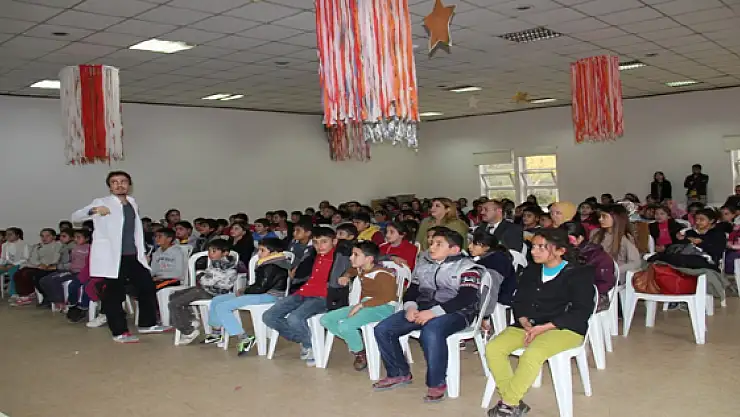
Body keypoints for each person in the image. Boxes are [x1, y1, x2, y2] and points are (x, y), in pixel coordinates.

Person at [484, 229, 595, 417]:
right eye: (533, 246)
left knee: (533, 354)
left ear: (560, 250)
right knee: (493, 348)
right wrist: (524, 321)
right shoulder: (531, 270)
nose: (534, 251)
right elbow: (519, 300)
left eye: (541, 247)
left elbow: (581, 311)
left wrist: (545, 327)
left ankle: (508, 403)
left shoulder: (578, 274)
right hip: (530, 325)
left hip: (564, 328)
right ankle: (513, 401)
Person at [372, 228, 485, 402]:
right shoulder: (424, 264)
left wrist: (433, 313)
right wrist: (410, 307)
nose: (431, 247)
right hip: (424, 308)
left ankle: (436, 383)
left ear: (454, 249)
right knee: (383, 329)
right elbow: (412, 290)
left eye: (439, 244)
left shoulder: (468, 268)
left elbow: (466, 298)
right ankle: (399, 373)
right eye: (432, 243)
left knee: (431, 331)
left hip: (458, 312)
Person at [70, 171, 169, 343]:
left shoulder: (132, 202)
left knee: (147, 287)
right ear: (110, 186)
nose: (119, 185)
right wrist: (94, 210)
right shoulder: (102, 202)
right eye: (114, 182)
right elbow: (75, 217)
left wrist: (142, 253)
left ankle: (147, 324)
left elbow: (135, 231)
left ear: (129, 185)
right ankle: (119, 331)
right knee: (114, 294)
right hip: (112, 257)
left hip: (133, 255)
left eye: (123, 181)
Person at [262, 227, 346, 366]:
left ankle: (309, 345)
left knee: (294, 318)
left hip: (323, 297)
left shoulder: (341, 256)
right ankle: (306, 340)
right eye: (316, 242)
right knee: (269, 316)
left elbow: (357, 264)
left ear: (334, 241)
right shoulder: (312, 255)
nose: (319, 246)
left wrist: (347, 275)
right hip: (302, 292)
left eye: (324, 242)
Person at [204, 237, 291, 356]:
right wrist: (245, 290)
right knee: (217, 300)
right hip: (261, 293)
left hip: (269, 296)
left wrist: (244, 291)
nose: (258, 253)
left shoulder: (272, 266)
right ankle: (216, 333)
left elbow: (261, 288)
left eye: (262, 250)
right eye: (259, 250)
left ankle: (244, 338)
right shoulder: (268, 263)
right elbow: (259, 286)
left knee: (222, 307)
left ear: (274, 253)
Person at [320, 241, 398, 371]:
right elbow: (352, 270)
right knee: (326, 319)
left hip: (383, 307)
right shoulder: (361, 268)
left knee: (346, 326)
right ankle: (359, 347)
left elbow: (387, 297)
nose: (351, 257)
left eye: (356, 255)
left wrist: (361, 305)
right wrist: (346, 276)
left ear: (369, 259)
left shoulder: (382, 274)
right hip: (365, 305)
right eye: (352, 254)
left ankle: (358, 352)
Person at [167, 239, 238, 344]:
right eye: (209, 251)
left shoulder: (223, 266)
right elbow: (208, 278)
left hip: (214, 293)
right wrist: (203, 276)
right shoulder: (218, 262)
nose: (210, 254)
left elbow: (207, 281)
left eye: (214, 251)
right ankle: (190, 320)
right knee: (174, 296)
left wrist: (200, 275)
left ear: (225, 253)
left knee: (174, 303)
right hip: (206, 289)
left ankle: (189, 331)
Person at [39, 229, 92, 320]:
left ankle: (68, 304)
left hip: (81, 273)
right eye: (75, 237)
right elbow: (70, 262)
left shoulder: (90, 248)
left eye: (78, 237)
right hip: (71, 271)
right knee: (45, 280)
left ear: (87, 238)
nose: (75, 239)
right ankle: (57, 301)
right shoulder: (74, 248)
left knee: (71, 284)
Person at [563, 222, 615, 311]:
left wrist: (584, 290)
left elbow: (605, 283)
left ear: (580, 238)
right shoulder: (561, 252)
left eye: (568, 239)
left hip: (594, 295)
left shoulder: (598, 256)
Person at [590, 204, 641, 284]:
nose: (600, 219)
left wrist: (614, 269)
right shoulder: (595, 233)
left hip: (616, 278)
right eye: (600, 216)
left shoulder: (625, 238)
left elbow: (635, 263)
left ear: (616, 218)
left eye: (604, 216)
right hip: (594, 274)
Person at [11, 228, 63, 307]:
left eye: (47, 236)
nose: (44, 238)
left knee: (28, 274)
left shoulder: (58, 245)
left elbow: (56, 258)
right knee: (18, 273)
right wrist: (39, 264)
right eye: (42, 236)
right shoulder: (38, 246)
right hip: (37, 266)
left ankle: (31, 295)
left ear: (54, 237)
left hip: (50, 267)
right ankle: (25, 294)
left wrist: (46, 265)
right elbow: (33, 259)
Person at [469, 230, 516, 306]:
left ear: (486, 247)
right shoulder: (488, 258)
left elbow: (491, 291)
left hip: (497, 303)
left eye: (474, 244)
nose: (469, 247)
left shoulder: (496, 262)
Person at [36, 228, 76, 311]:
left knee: (52, 280)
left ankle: (60, 302)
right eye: (60, 236)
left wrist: (56, 267)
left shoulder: (73, 248)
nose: (61, 238)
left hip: (71, 271)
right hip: (62, 269)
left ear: (72, 238)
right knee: (43, 280)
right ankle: (53, 300)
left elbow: (72, 264)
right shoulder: (64, 246)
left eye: (64, 236)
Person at [0, 227, 28, 298]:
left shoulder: (24, 244)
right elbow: (3, 257)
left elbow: (25, 258)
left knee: (13, 272)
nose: (7, 236)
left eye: (10, 234)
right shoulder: (4, 245)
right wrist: (1, 264)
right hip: (7, 263)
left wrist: (13, 264)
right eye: (6, 234)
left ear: (17, 235)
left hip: (19, 264)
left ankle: (14, 292)